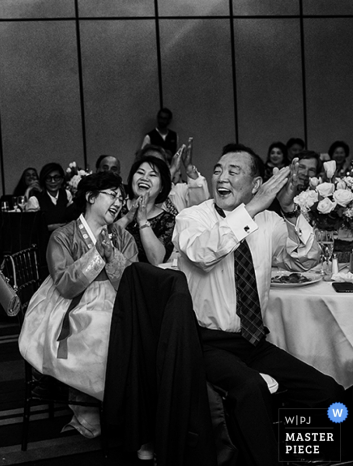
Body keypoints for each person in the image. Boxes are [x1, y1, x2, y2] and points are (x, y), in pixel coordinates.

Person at [172, 143, 345, 466]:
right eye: (219, 170)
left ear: (255, 185)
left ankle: (303, 453)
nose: (222, 177)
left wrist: (290, 208)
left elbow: (305, 261)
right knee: (252, 390)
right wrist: (249, 211)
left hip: (253, 342)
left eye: (233, 172)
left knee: (328, 392)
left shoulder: (269, 222)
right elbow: (202, 255)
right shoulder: (191, 218)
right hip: (205, 344)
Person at [19, 171, 138, 438]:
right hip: (70, 301)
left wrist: (113, 256)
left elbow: (132, 281)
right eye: (112, 195)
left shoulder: (123, 237)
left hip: (116, 297)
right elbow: (64, 284)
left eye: (121, 197)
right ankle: (99, 407)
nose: (118, 202)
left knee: (137, 327)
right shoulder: (62, 236)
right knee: (98, 330)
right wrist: (98, 255)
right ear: (91, 197)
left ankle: (128, 407)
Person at [117, 155, 175, 265]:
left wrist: (143, 221)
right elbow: (99, 240)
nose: (144, 178)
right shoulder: (116, 206)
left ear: (162, 187)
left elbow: (156, 260)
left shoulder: (168, 220)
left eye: (152, 175)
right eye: (140, 172)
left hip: (143, 280)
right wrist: (127, 219)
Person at [29, 162, 73, 231]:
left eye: (56, 177)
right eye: (48, 178)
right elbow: (32, 228)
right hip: (45, 239)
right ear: (43, 180)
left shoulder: (67, 194)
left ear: (62, 180)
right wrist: (53, 227)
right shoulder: (35, 200)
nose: (53, 181)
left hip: (66, 238)